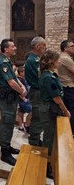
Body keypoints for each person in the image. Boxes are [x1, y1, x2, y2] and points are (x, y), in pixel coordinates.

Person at [39, 50, 70, 178]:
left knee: (50, 137)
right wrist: (65, 110)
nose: (58, 62)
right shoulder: (47, 77)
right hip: (48, 109)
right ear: (52, 62)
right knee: (48, 138)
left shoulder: (50, 74)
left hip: (50, 108)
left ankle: (50, 160)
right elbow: (56, 97)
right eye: (57, 60)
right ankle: (46, 166)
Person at [0, 38, 27, 166]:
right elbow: (10, 82)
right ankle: (4, 152)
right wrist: (21, 91)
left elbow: (14, 77)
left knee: (10, 122)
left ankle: (7, 146)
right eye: (12, 46)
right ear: (6, 49)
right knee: (6, 123)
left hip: (11, 97)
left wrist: (22, 86)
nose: (15, 48)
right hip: (6, 97)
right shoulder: (2, 62)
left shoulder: (8, 60)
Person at [25, 36, 47, 146]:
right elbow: (40, 77)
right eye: (44, 46)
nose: (45, 48)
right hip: (37, 92)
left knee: (39, 116)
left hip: (39, 91)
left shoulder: (36, 59)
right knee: (38, 117)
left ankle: (36, 138)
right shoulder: (33, 60)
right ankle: (34, 140)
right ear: (38, 47)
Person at [57, 40, 74, 135]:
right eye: (72, 46)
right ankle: (71, 131)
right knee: (71, 109)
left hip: (66, 86)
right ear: (65, 48)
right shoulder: (65, 58)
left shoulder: (63, 57)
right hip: (68, 86)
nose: (73, 47)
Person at [17, 66, 32, 133]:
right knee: (31, 110)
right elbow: (19, 91)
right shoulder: (19, 80)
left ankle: (21, 126)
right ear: (21, 73)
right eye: (24, 72)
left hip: (25, 98)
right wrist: (24, 99)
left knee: (21, 112)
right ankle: (26, 125)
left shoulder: (23, 79)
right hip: (23, 100)